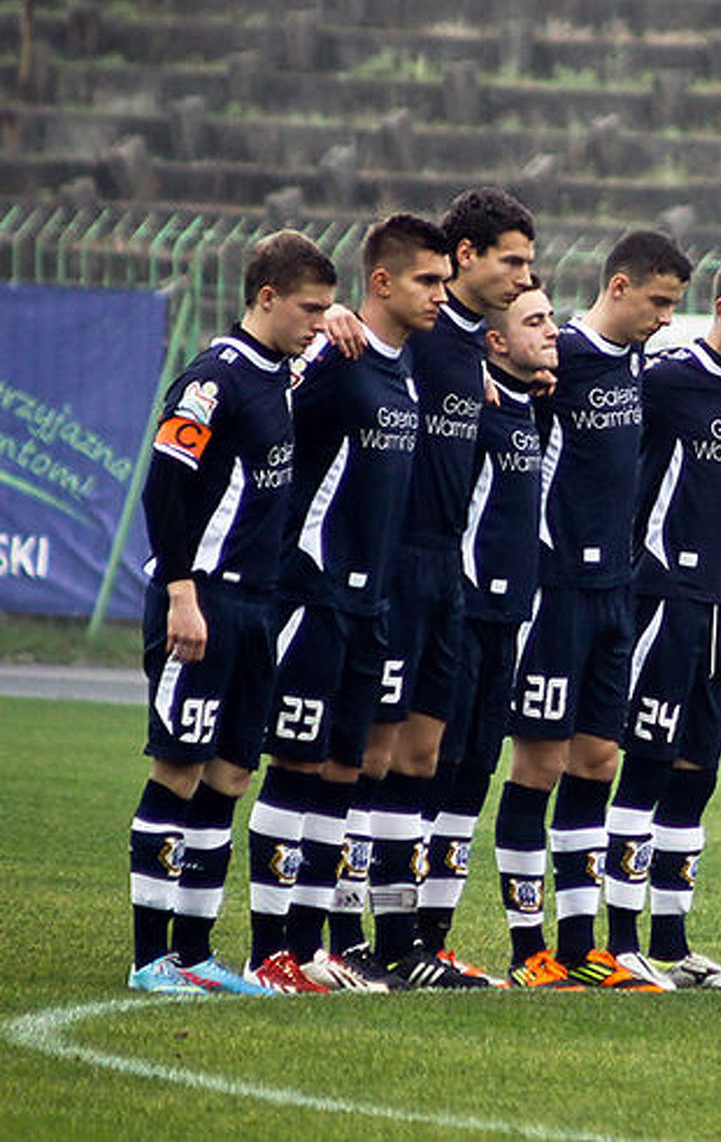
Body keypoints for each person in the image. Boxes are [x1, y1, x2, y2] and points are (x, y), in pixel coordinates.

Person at [242, 214, 447, 994]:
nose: (440, 294)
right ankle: (269, 954)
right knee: (292, 767)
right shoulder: (336, 354)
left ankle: (312, 944)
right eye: (426, 280)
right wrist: (327, 324)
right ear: (383, 281)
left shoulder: (402, 368)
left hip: (374, 604)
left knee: (343, 772)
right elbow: (272, 396)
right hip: (316, 592)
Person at [126, 230, 335, 995]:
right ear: (266, 297)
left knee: (231, 772)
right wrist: (180, 589)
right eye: (310, 307)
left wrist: (335, 329)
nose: (320, 319)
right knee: (178, 765)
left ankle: (195, 953)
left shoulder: (283, 371)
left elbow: (338, 344)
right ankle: (150, 958)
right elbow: (164, 484)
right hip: (204, 597)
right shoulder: (215, 378)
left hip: (257, 603)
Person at [492, 232, 691, 992]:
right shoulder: (559, 355)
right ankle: (525, 948)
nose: (667, 318)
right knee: (538, 762)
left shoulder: (642, 362)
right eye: (659, 302)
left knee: (598, 761)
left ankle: (579, 946)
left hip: (620, 591)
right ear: (618, 286)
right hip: (555, 590)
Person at [605, 246, 721, 990]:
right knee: (644, 765)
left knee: (696, 775)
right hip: (663, 597)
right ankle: (619, 942)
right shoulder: (669, 378)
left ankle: (673, 942)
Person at [359, 187, 535, 988]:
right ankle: (337, 935)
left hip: (446, 578)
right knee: (367, 754)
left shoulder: (466, 346)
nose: (526, 275)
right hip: (392, 565)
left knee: (426, 753)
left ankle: (403, 942)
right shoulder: (420, 336)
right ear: (465, 257)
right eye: (514, 260)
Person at [423, 282, 562, 987]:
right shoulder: (472, 407)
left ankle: (435, 940)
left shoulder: (536, 405)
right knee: (434, 771)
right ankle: (397, 932)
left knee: (473, 774)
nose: (552, 332)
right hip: (463, 615)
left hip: (509, 621)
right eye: (536, 321)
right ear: (495, 340)